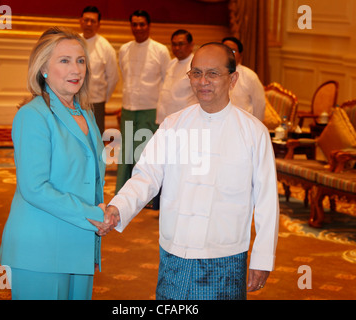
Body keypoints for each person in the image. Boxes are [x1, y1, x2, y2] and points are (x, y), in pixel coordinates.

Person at [103, 42, 279, 300]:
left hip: (225, 257)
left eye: (212, 73)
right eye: (196, 73)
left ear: (233, 79)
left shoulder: (254, 133)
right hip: (175, 250)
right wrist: (119, 206)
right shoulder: (173, 125)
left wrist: (263, 258)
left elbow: (267, 201)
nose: (202, 81)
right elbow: (146, 175)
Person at [0, 27, 113, 300]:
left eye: (81, 60)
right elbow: (35, 188)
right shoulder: (33, 115)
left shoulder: (85, 113)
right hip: (41, 249)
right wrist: (95, 215)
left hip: (80, 245)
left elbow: (89, 177)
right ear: (43, 69)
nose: (76, 69)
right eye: (64, 60)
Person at [116, 10, 171, 194]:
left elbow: (166, 82)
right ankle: (123, 191)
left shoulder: (160, 50)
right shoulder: (124, 49)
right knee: (126, 152)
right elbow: (124, 76)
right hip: (129, 107)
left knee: (144, 152)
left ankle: (145, 193)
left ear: (148, 26)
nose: (138, 28)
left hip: (150, 108)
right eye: (135, 24)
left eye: (142, 24)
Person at [79, 6, 119, 134]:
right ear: (80, 21)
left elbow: (113, 78)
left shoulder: (105, 47)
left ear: (98, 24)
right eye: (86, 20)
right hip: (72, 100)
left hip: (95, 102)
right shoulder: (73, 41)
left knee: (95, 137)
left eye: (93, 21)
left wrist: (103, 98)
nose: (89, 24)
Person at [156, 29, 197, 124]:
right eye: (174, 44)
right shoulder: (172, 63)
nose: (177, 48)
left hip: (185, 120)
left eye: (181, 44)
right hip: (167, 118)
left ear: (191, 45)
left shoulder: (196, 65)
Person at [222, 37, 266, 121]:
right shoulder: (213, 74)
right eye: (225, 49)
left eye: (233, 51)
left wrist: (255, 127)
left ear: (241, 54)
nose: (229, 53)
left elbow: (259, 105)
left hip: (244, 125)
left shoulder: (249, 76)